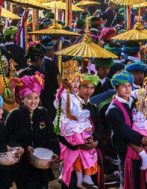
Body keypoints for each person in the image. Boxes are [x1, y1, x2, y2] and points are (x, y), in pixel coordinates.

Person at [6, 72, 60, 189]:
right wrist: (25, 147)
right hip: (23, 167)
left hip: (41, 164)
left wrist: (55, 151)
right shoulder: (14, 116)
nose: (33, 101)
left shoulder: (43, 113)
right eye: (29, 98)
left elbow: (51, 136)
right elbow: (9, 139)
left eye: (36, 98)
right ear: (21, 98)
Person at [55, 61, 98, 189]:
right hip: (71, 145)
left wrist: (95, 142)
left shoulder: (93, 106)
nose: (88, 91)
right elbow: (60, 132)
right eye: (86, 87)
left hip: (87, 145)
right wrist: (74, 145)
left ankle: (86, 179)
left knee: (89, 158)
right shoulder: (67, 97)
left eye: (92, 88)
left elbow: (100, 129)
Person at [106, 71, 147, 189]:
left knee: (140, 178)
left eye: (129, 85)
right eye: (123, 86)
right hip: (125, 149)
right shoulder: (113, 110)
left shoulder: (133, 101)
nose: (127, 88)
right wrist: (142, 138)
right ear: (116, 88)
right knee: (127, 179)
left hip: (139, 145)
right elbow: (124, 131)